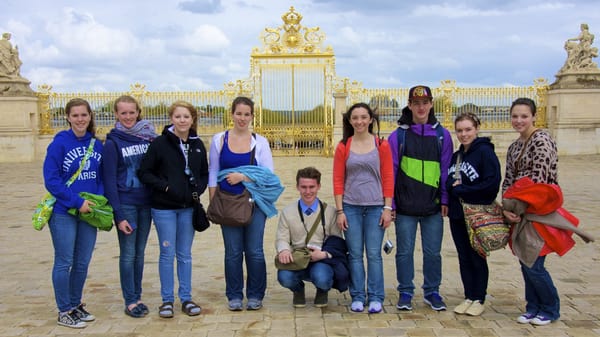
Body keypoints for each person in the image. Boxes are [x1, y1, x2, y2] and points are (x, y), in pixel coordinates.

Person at [138, 100, 208, 318]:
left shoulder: (197, 144)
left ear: (192, 119)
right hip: (164, 208)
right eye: (178, 117)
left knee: (185, 254)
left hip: (188, 208)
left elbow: (204, 172)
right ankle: (167, 299)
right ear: (171, 119)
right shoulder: (159, 143)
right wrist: (166, 187)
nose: (182, 120)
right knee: (167, 253)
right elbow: (145, 173)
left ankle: (185, 297)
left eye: (186, 116)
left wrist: (198, 188)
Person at [208, 96, 278, 311]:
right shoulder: (219, 140)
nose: (242, 118)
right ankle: (234, 295)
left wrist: (244, 177)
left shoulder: (260, 142)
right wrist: (213, 202)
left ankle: (256, 294)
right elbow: (213, 172)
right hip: (228, 203)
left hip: (254, 203)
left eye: (246, 114)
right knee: (233, 252)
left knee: (255, 250)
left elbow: (268, 175)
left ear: (252, 116)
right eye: (239, 113)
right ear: (232, 114)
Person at [388, 85, 453, 311]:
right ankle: (405, 291)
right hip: (405, 206)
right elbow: (392, 172)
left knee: (432, 252)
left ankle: (432, 291)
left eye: (425, 103)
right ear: (410, 105)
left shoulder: (442, 135)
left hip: (433, 205)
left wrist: (445, 199)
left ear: (431, 104)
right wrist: (391, 203)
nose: (421, 107)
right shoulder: (398, 136)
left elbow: (446, 170)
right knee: (404, 252)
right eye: (416, 103)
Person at [43, 98, 104, 328]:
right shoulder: (59, 144)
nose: (80, 119)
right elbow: (52, 180)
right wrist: (77, 202)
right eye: (76, 115)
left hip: (89, 210)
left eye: (84, 115)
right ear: (68, 117)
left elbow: (101, 177)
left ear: (90, 117)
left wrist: (96, 200)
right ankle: (64, 309)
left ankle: (76, 304)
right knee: (64, 260)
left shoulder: (96, 144)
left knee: (82, 262)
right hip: (63, 211)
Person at [501, 97, 560, 326]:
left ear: (534, 116)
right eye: (515, 116)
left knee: (535, 262)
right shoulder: (514, 146)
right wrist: (507, 207)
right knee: (525, 261)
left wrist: (519, 207)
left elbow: (539, 180)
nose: (519, 120)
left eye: (524, 116)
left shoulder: (542, 140)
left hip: (538, 211)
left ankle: (550, 308)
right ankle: (532, 306)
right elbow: (508, 181)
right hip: (518, 212)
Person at [333, 102, 394, 314]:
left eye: (363, 117)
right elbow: (338, 180)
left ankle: (376, 296)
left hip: (376, 206)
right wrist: (340, 211)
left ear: (370, 119)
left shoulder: (381, 145)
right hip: (351, 207)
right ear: (350, 121)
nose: (359, 121)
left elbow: (388, 177)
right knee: (355, 254)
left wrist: (388, 207)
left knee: (374, 254)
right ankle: (358, 296)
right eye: (355, 117)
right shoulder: (344, 146)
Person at [103, 95, 157, 318]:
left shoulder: (148, 138)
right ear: (116, 114)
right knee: (128, 253)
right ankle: (131, 300)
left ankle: (138, 294)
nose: (127, 117)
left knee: (140, 253)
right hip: (126, 204)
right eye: (123, 113)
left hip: (146, 203)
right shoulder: (113, 142)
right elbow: (109, 181)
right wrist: (118, 214)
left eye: (131, 112)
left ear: (138, 113)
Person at [445, 110, 501, 316]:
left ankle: (479, 297)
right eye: (459, 130)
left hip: (477, 214)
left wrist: (462, 189)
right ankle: (468, 295)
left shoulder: (485, 152)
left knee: (477, 256)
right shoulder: (457, 155)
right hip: (458, 215)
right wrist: (453, 187)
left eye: (468, 129)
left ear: (476, 129)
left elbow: (491, 184)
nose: (464, 134)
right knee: (464, 257)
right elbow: (449, 181)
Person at [276, 166, 346, 308]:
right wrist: (283, 250)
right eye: (303, 187)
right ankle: (298, 289)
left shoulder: (330, 212)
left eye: (311, 187)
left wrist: (324, 254)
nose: (308, 192)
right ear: (297, 187)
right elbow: (281, 237)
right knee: (284, 277)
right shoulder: (287, 212)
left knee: (322, 278)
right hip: (298, 258)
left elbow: (337, 241)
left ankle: (322, 289)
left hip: (320, 260)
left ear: (318, 186)